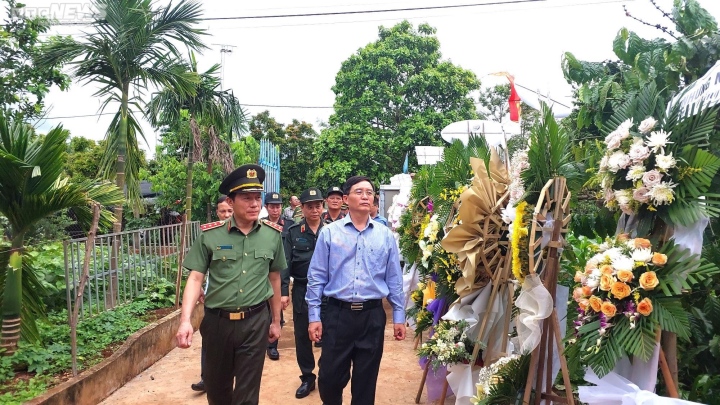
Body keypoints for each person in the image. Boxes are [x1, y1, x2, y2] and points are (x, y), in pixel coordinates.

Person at [176, 164, 286, 405]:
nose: (255, 204)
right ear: (231, 200)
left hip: (255, 322)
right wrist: (185, 321)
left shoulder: (272, 235)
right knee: (218, 390)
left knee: (247, 394)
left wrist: (276, 321)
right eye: (247, 198)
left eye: (258, 198)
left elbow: (274, 278)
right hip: (217, 323)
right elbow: (195, 278)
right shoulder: (210, 235)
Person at [306, 175, 406, 405]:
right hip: (337, 315)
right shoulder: (330, 233)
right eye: (359, 192)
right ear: (345, 199)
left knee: (366, 381)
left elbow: (394, 279)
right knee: (329, 378)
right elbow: (317, 276)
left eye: (369, 193)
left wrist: (398, 316)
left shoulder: (386, 236)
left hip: (372, 317)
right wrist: (314, 316)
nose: (365, 196)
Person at [281, 187, 325, 399]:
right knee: (302, 335)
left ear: (322, 207)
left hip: (328, 292)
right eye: (310, 206)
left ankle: (326, 374)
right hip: (302, 289)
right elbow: (284, 264)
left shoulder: (333, 231)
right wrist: (283, 292)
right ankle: (308, 377)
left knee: (330, 335)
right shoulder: (293, 233)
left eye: (318, 205)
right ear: (303, 209)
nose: (314, 210)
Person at [191, 195, 234, 393]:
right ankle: (206, 377)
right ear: (217, 212)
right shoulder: (209, 235)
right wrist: (198, 287)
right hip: (213, 298)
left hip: (237, 301)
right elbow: (197, 270)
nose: (226, 215)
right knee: (209, 338)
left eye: (229, 211)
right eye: (222, 211)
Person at [261, 192, 288, 361]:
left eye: (278, 206)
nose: (275, 209)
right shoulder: (260, 227)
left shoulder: (290, 226)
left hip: (280, 272)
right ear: (266, 208)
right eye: (272, 206)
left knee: (276, 310)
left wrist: (285, 287)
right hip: (264, 273)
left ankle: (272, 346)